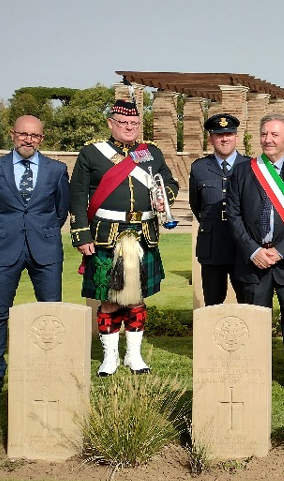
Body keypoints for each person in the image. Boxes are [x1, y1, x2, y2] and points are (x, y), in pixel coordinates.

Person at [70, 99, 178, 377]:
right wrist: (81, 234)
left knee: (137, 298)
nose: (129, 128)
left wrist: (165, 195)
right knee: (108, 299)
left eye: (134, 124)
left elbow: (170, 181)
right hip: (106, 236)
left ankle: (134, 355)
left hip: (144, 235)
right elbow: (78, 195)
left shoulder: (151, 152)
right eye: (123, 123)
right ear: (111, 124)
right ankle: (110, 356)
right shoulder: (92, 153)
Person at [0, 115, 70, 395]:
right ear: (12, 134)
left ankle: (51, 370)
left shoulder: (57, 170)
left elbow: (60, 211)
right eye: (23, 134)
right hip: (4, 249)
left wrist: (41, 230)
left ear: (42, 139)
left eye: (35, 136)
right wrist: (7, 230)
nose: (29, 140)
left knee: (51, 312)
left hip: (46, 248)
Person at [227, 114, 284, 399]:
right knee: (255, 320)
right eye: (264, 134)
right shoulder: (243, 171)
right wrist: (254, 251)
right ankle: (254, 371)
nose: (268, 139)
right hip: (253, 260)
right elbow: (234, 215)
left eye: (274, 135)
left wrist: (280, 251)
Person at [189, 113, 250, 305]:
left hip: (242, 245)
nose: (224, 138)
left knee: (247, 301)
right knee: (213, 301)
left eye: (229, 134)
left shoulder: (250, 166)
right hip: (212, 245)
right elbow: (196, 204)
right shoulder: (199, 168)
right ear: (211, 139)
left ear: (236, 137)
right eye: (219, 135)